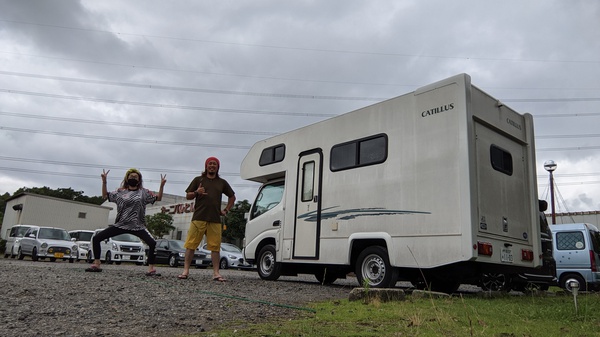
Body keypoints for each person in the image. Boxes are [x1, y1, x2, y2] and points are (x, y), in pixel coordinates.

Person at [85, 168, 167, 276]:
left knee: (152, 243)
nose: (133, 178)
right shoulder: (120, 192)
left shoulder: (144, 192)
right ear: (127, 179)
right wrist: (104, 181)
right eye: (131, 177)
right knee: (96, 238)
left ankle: (151, 269)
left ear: (139, 180)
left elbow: (159, 198)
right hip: (121, 224)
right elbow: (105, 195)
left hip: (138, 225)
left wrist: (161, 186)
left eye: (135, 177)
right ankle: (97, 263)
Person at [178, 157, 236, 281]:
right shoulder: (198, 180)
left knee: (215, 247)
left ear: (217, 167)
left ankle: (216, 273)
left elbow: (232, 197)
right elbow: (188, 196)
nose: (212, 166)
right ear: (206, 166)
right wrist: (196, 192)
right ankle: (185, 271)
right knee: (191, 245)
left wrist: (226, 210)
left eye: (215, 164)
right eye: (210, 164)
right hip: (199, 217)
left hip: (215, 219)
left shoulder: (222, 182)